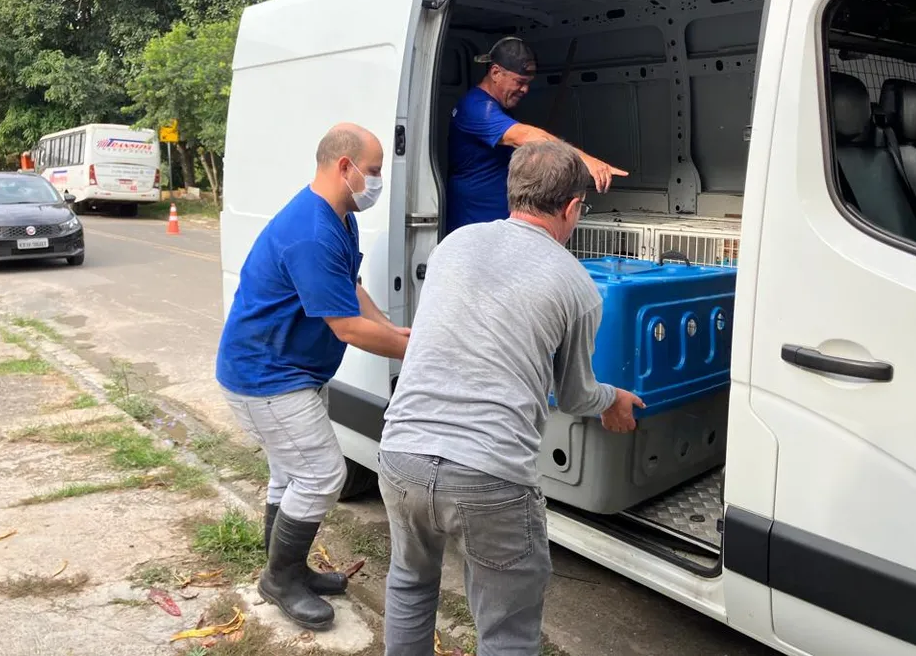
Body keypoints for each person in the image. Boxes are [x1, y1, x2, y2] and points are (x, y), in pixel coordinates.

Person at [377, 140, 644, 655]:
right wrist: (612, 399)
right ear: (571, 208)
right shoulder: (576, 283)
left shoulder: (453, 245)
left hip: (401, 452)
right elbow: (573, 393)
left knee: (410, 583)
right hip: (489, 474)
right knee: (508, 632)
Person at [215, 122, 410, 631]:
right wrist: (417, 349)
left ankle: (289, 569)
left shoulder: (338, 218)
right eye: (373, 172)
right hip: (267, 376)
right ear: (344, 167)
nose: (376, 182)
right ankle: (279, 580)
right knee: (323, 473)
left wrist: (394, 330)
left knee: (290, 473)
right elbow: (346, 327)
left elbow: (353, 289)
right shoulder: (312, 230)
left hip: (289, 370)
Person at [445, 35, 629, 233]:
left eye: (528, 82)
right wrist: (585, 160)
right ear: (496, 72)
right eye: (519, 81)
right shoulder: (477, 109)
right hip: (475, 228)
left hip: (498, 227)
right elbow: (524, 136)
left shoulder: (497, 108)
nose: (525, 89)